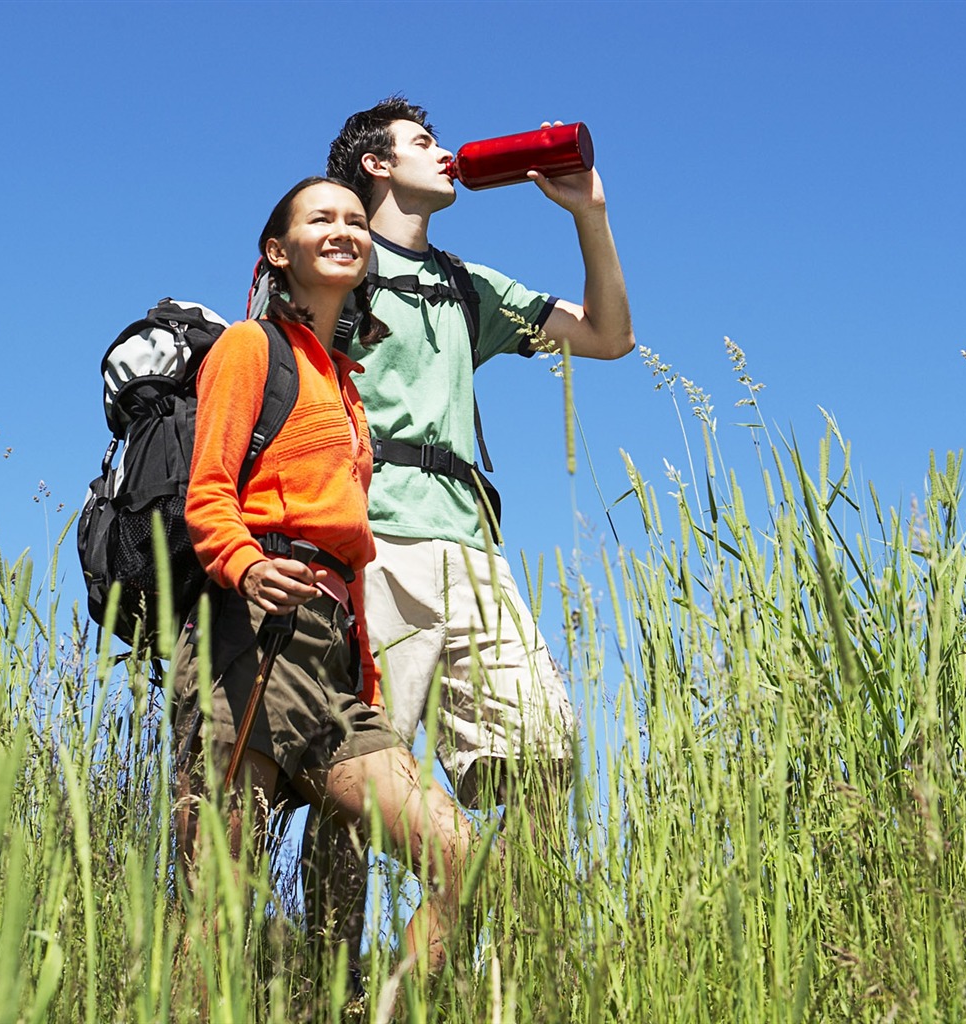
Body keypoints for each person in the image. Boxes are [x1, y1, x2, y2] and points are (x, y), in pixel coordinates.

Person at [303, 97, 635, 961]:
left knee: (539, 759)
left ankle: (490, 974)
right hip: (371, 545)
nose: (445, 153)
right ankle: (327, 980)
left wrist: (589, 214)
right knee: (365, 777)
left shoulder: (464, 285)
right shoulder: (334, 259)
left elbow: (608, 336)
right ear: (376, 164)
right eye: (422, 143)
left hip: (475, 554)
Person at [172, 175, 472, 974]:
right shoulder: (250, 347)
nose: (344, 228)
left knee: (461, 857)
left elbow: (349, 551)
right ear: (279, 251)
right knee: (219, 904)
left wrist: (363, 668)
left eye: (353, 219)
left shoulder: (348, 390)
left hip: (332, 659)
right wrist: (242, 566)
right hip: (252, 639)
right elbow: (208, 490)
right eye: (320, 218)